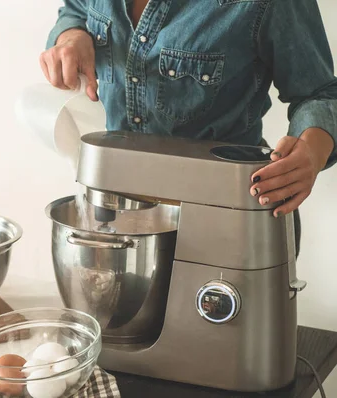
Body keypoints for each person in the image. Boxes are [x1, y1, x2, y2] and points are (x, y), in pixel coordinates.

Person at [41, 0, 337, 256]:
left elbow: (320, 93)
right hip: (116, 213)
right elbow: (76, 11)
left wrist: (311, 153)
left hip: (229, 222)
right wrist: (71, 36)